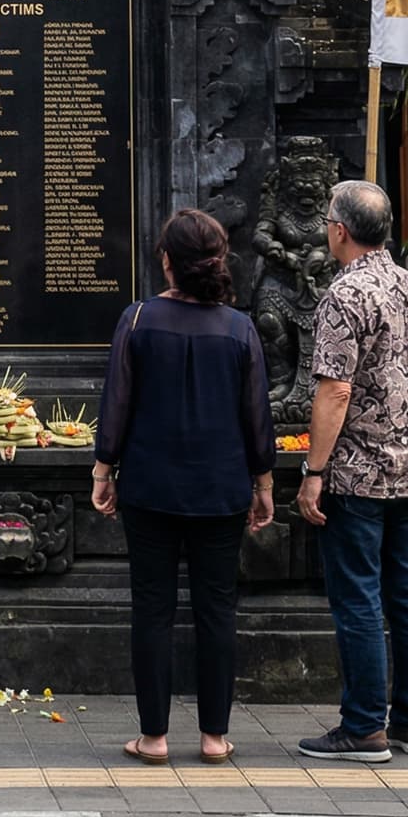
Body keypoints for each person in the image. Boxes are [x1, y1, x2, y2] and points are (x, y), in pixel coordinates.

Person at [93, 208, 275, 765]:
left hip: (149, 485)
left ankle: (153, 737)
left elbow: (116, 403)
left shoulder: (139, 319)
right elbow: (257, 416)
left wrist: (104, 470)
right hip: (220, 488)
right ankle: (215, 736)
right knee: (217, 609)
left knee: (152, 609)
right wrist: (263, 483)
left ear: (166, 260)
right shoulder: (240, 327)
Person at [295, 180, 408, 764]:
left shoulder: (345, 295)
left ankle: (363, 727)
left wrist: (314, 469)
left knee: (358, 597)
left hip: (356, 474)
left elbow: (334, 389)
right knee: (407, 592)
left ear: (338, 229)